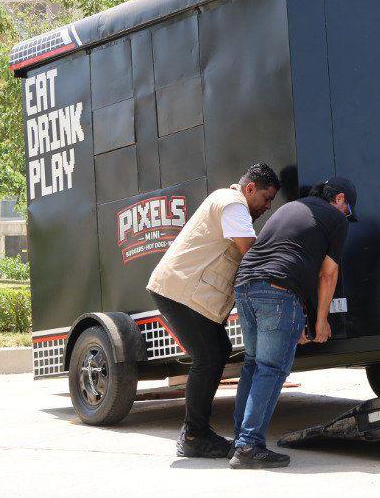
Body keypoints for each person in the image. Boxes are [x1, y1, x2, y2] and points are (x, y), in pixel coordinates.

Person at [146, 164, 281, 458]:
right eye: (266, 198)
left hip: (184, 291)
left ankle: (195, 431)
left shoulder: (228, 202)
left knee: (219, 350)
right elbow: (251, 251)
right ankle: (194, 434)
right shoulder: (233, 204)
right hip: (181, 291)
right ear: (249, 189)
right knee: (207, 358)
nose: (268, 207)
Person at [228, 176, 356, 469]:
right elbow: (327, 274)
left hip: (246, 284)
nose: (347, 215)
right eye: (347, 209)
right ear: (339, 200)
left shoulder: (289, 208)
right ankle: (249, 446)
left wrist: (298, 318)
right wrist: (321, 321)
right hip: (278, 290)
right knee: (271, 369)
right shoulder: (336, 220)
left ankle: (240, 439)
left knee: (253, 363)